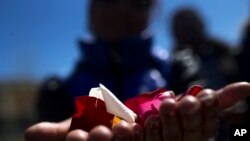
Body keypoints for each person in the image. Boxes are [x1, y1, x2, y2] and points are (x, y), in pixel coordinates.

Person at [36, 0, 170, 122]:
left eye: (138, 3)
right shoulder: (61, 89)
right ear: (91, 10)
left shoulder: (175, 71)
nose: (122, 9)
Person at [25, 82, 250, 141]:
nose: (122, 8)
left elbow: (238, 131)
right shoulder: (58, 88)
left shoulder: (181, 63)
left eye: (138, 3)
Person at [168, 8, 239, 94]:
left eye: (192, 23)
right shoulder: (172, 65)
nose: (190, 30)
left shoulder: (223, 52)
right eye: (183, 26)